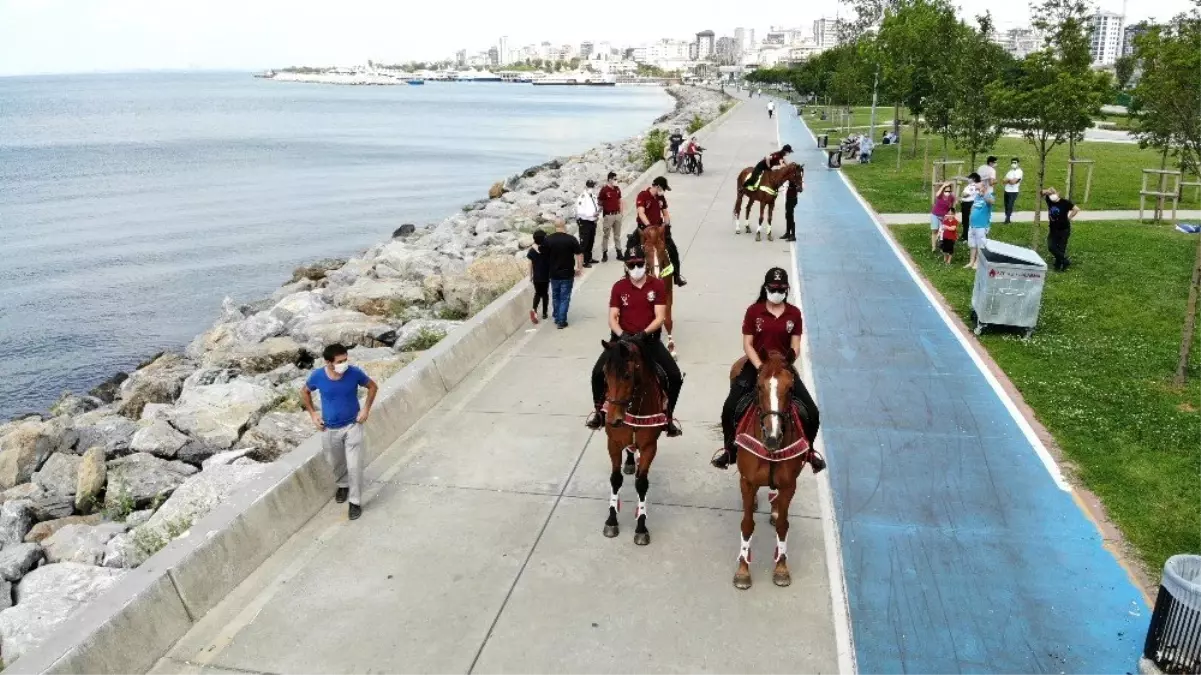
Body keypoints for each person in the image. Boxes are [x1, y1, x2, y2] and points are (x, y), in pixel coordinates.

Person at [711, 268, 820, 470]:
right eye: (773, 288)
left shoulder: (794, 314)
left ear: (786, 289)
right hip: (757, 365)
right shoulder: (754, 311)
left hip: (782, 368)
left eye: (780, 289)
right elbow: (748, 344)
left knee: (812, 411)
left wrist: (786, 364)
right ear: (766, 288)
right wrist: (760, 366)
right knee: (730, 407)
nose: (776, 292)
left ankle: (810, 451)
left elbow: (795, 345)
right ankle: (729, 450)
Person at [585, 245, 683, 437]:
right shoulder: (619, 287)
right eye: (631, 265)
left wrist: (643, 334)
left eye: (638, 264)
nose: (635, 268)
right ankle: (598, 412)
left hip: (648, 341)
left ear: (644, 263)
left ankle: (668, 417)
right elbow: (612, 317)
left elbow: (660, 317)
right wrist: (622, 335)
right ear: (626, 267)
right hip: (621, 343)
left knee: (674, 376)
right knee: (597, 373)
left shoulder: (657, 286)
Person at [301, 344, 379, 521]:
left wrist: (365, 409)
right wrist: (313, 414)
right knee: (335, 462)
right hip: (329, 428)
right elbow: (304, 392)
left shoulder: (354, 373)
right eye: (340, 361)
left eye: (345, 360)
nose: (344, 364)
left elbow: (373, 387)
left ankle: (355, 502)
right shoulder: (318, 376)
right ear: (328, 362)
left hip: (353, 426)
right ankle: (343, 485)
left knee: (354, 466)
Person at [635, 176, 687, 286]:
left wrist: (667, 223)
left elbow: (665, 213)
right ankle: (630, 277)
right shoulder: (643, 195)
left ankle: (677, 276)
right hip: (645, 229)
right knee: (632, 250)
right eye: (663, 188)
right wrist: (649, 226)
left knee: (673, 251)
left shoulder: (661, 198)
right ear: (658, 186)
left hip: (659, 229)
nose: (664, 192)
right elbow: (641, 213)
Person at [542, 219, 584, 328]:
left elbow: (543, 257)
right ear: (564, 226)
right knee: (565, 297)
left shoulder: (548, 240)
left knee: (556, 296)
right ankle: (561, 320)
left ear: (554, 226)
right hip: (567, 273)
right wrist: (579, 268)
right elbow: (579, 254)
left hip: (553, 274)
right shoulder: (571, 239)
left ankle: (557, 316)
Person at [1042, 187, 1079, 271]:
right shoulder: (1049, 201)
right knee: (1051, 246)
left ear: (1058, 194)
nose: (1052, 196)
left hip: (1064, 229)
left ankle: (1059, 266)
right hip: (1053, 229)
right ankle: (1065, 261)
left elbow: (1076, 209)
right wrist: (1047, 191)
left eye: (1053, 194)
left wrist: (1069, 218)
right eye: (1050, 195)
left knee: (1061, 248)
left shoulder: (1065, 202)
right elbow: (1041, 193)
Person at [967, 177, 995, 269]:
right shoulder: (977, 197)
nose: (976, 186)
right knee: (972, 245)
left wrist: (984, 193)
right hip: (972, 225)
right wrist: (970, 217)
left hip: (981, 226)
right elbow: (973, 207)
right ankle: (971, 262)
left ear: (984, 186)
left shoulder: (988, 196)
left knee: (980, 245)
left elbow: (991, 202)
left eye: (978, 185)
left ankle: (977, 263)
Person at [598, 171, 624, 263]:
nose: (616, 181)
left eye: (616, 179)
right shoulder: (604, 190)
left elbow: (620, 201)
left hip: (617, 215)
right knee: (606, 235)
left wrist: (621, 213)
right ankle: (604, 253)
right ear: (610, 179)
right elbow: (600, 202)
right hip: (608, 216)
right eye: (615, 179)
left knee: (617, 235)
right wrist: (600, 211)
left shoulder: (617, 189)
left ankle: (619, 253)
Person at [575, 179, 600, 267]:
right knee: (584, 242)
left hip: (592, 221)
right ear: (586, 187)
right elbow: (580, 211)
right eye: (590, 186)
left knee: (591, 241)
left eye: (592, 186)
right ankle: (583, 262)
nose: (591, 188)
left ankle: (589, 258)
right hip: (584, 222)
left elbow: (596, 206)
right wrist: (592, 214)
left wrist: (596, 215)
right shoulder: (582, 197)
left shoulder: (593, 195)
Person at [527, 229, 550, 324]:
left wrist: (530, 276)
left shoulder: (532, 251)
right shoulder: (547, 249)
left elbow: (530, 264)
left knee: (537, 293)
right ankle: (544, 313)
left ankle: (534, 309)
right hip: (546, 276)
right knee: (545, 294)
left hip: (536, 276)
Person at [931, 182, 956, 252]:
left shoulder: (951, 197)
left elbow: (953, 205)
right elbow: (937, 194)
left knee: (943, 232)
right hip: (935, 215)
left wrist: (951, 215)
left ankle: (942, 246)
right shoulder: (940, 194)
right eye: (946, 190)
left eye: (949, 190)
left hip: (944, 216)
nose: (947, 192)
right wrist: (943, 186)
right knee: (934, 230)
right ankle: (933, 247)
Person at [959, 173, 979, 242]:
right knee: (964, 221)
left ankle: (966, 237)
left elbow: (965, 195)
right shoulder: (969, 186)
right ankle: (964, 235)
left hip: (968, 204)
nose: (968, 179)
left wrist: (962, 195)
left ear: (973, 179)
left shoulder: (973, 186)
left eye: (969, 178)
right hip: (965, 204)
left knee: (967, 221)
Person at [1003, 157, 1023, 224]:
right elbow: (1003, 181)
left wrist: (1008, 180)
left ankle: (1007, 219)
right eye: (1012, 162)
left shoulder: (1019, 172)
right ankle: (1007, 217)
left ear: (1018, 163)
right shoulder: (1010, 172)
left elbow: (1013, 182)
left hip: (1013, 191)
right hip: (1006, 190)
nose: (1013, 164)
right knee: (1006, 205)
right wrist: (1009, 180)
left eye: (1015, 163)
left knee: (1010, 205)